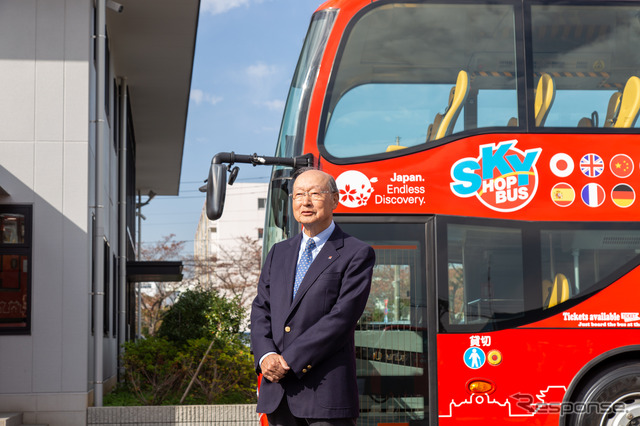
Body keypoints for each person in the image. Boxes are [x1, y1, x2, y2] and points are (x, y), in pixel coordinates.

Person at [250, 168, 376, 426]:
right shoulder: (278, 252)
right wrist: (266, 357)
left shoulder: (357, 253)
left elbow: (342, 317)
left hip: (325, 395)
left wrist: (288, 359)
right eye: (298, 195)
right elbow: (261, 309)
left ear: (335, 200)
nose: (305, 202)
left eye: (315, 194)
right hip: (278, 393)